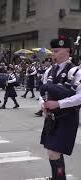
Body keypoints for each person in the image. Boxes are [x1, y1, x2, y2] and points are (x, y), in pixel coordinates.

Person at [39, 36, 81, 180]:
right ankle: (58, 177)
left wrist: (58, 104)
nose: (53, 53)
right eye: (52, 50)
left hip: (67, 117)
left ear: (68, 51)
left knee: (54, 152)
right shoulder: (49, 71)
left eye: (56, 51)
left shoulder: (75, 72)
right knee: (52, 151)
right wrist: (43, 104)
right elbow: (43, 91)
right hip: (52, 117)